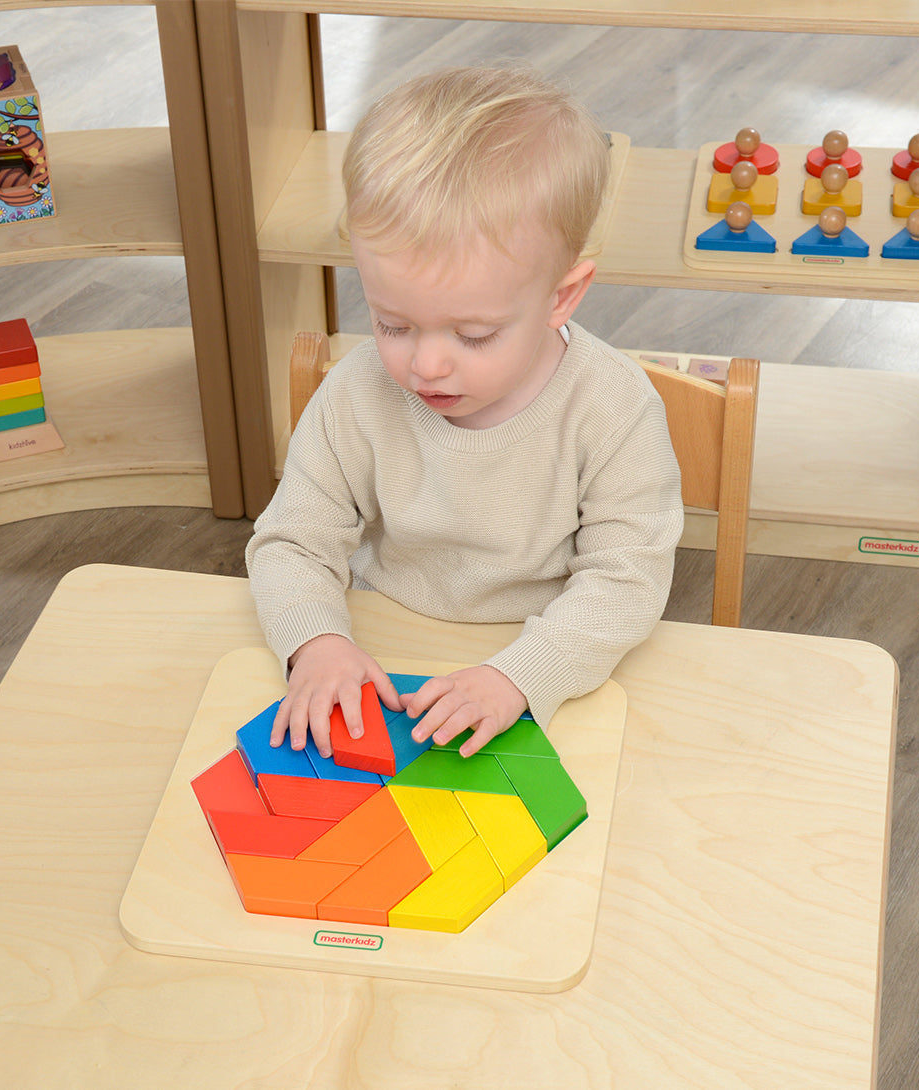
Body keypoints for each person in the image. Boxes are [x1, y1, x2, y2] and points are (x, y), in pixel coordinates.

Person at [247, 66, 683, 760]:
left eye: (473, 336)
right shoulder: (358, 391)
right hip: (385, 648)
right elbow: (292, 540)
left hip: (541, 665)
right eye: (392, 323)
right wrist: (316, 640)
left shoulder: (613, 406)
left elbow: (627, 580)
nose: (426, 366)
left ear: (561, 297)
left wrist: (520, 676)